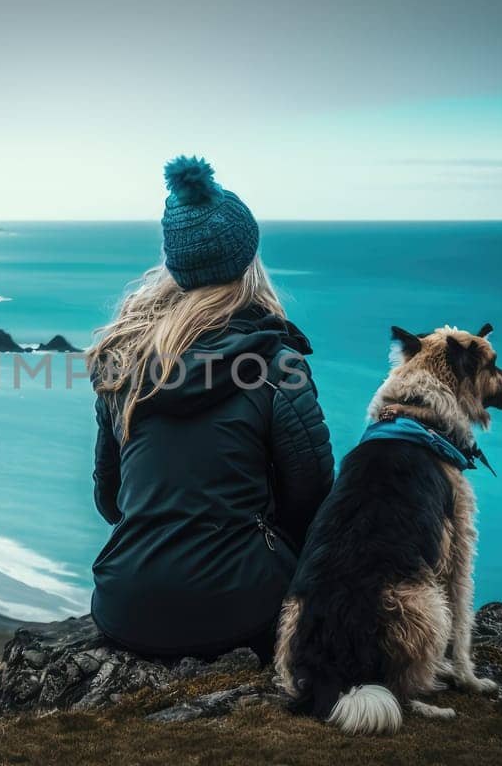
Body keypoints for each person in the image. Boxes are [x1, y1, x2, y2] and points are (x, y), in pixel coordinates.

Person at [85, 156, 335, 660]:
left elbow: (111, 501)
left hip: (123, 607)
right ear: (247, 261)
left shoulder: (123, 362)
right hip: (241, 611)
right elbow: (311, 503)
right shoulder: (275, 366)